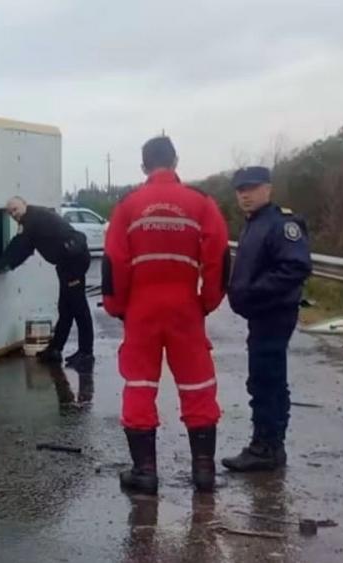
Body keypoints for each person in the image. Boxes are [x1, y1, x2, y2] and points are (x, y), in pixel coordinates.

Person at [102, 136, 229, 494]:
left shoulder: (128, 206)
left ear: (143, 166)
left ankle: (145, 472)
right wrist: (208, 301)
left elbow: (115, 263)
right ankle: (204, 471)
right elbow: (218, 257)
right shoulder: (201, 203)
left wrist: (118, 307)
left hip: (142, 309)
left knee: (140, 385)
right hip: (186, 307)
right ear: (175, 161)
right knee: (198, 383)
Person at [222, 166, 311, 472]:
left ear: (268, 188)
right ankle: (269, 444)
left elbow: (295, 268)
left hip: (274, 312)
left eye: (252, 188)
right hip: (261, 314)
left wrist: (254, 292)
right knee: (265, 378)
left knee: (266, 380)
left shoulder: (281, 224)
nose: (245, 195)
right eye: (240, 190)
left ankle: (267, 447)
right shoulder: (254, 223)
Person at [0, 197, 94, 369]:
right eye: (10, 213)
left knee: (78, 308)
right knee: (66, 308)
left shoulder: (32, 219)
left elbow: (20, 246)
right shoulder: (33, 219)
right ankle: (55, 350)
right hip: (66, 263)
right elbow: (23, 246)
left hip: (73, 261)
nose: (13, 215)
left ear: (25, 204)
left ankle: (86, 353)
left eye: (15, 209)